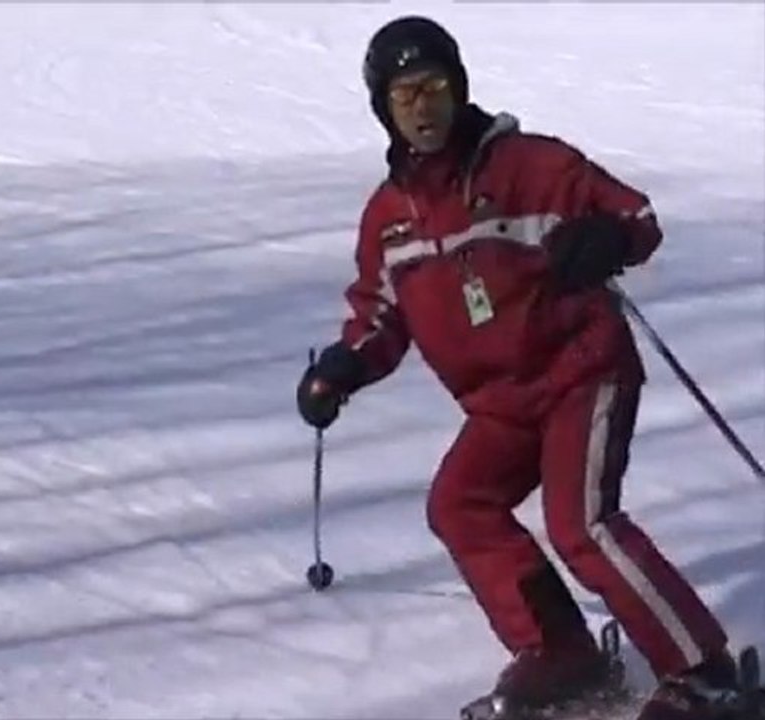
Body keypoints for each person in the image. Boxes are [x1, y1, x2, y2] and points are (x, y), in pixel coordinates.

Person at [296, 15, 741, 720]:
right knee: (459, 503)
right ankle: (560, 653)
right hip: (499, 403)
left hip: (580, 370)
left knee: (580, 524)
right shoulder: (390, 218)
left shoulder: (529, 166)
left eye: (434, 87)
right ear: (383, 109)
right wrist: (343, 366)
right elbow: (380, 314)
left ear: (459, 87)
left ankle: (704, 672)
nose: (421, 106)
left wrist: (607, 238)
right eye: (404, 95)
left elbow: (636, 216)